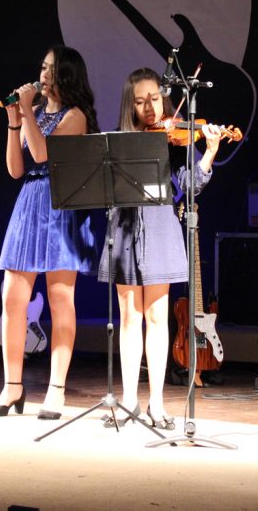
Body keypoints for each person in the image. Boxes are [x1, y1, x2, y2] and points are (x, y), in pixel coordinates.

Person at [98, 67, 222, 429]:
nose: (149, 107)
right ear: (130, 105)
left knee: (156, 317)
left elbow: (189, 185)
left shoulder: (173, 138)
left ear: (164, 97)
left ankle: (156, 403)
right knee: (129, 318)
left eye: (154, 98)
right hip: (125, 227)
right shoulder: (120, 141)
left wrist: (209, 152)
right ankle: (129, 401)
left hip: (161, 227)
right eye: (140, 101)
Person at [0, 46, 99, 419]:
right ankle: (12, 386)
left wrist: (27, 113)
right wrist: (14, 119)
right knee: (12, 297)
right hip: (29, 205)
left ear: (67, 74)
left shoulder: (75, 116)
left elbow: (41, 155)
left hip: (59, 207)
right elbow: (16, 169)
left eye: (52, 68)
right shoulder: (33, 113)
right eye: (43, 67)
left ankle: (56, 390)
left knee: (60, 298)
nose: (44, 74)